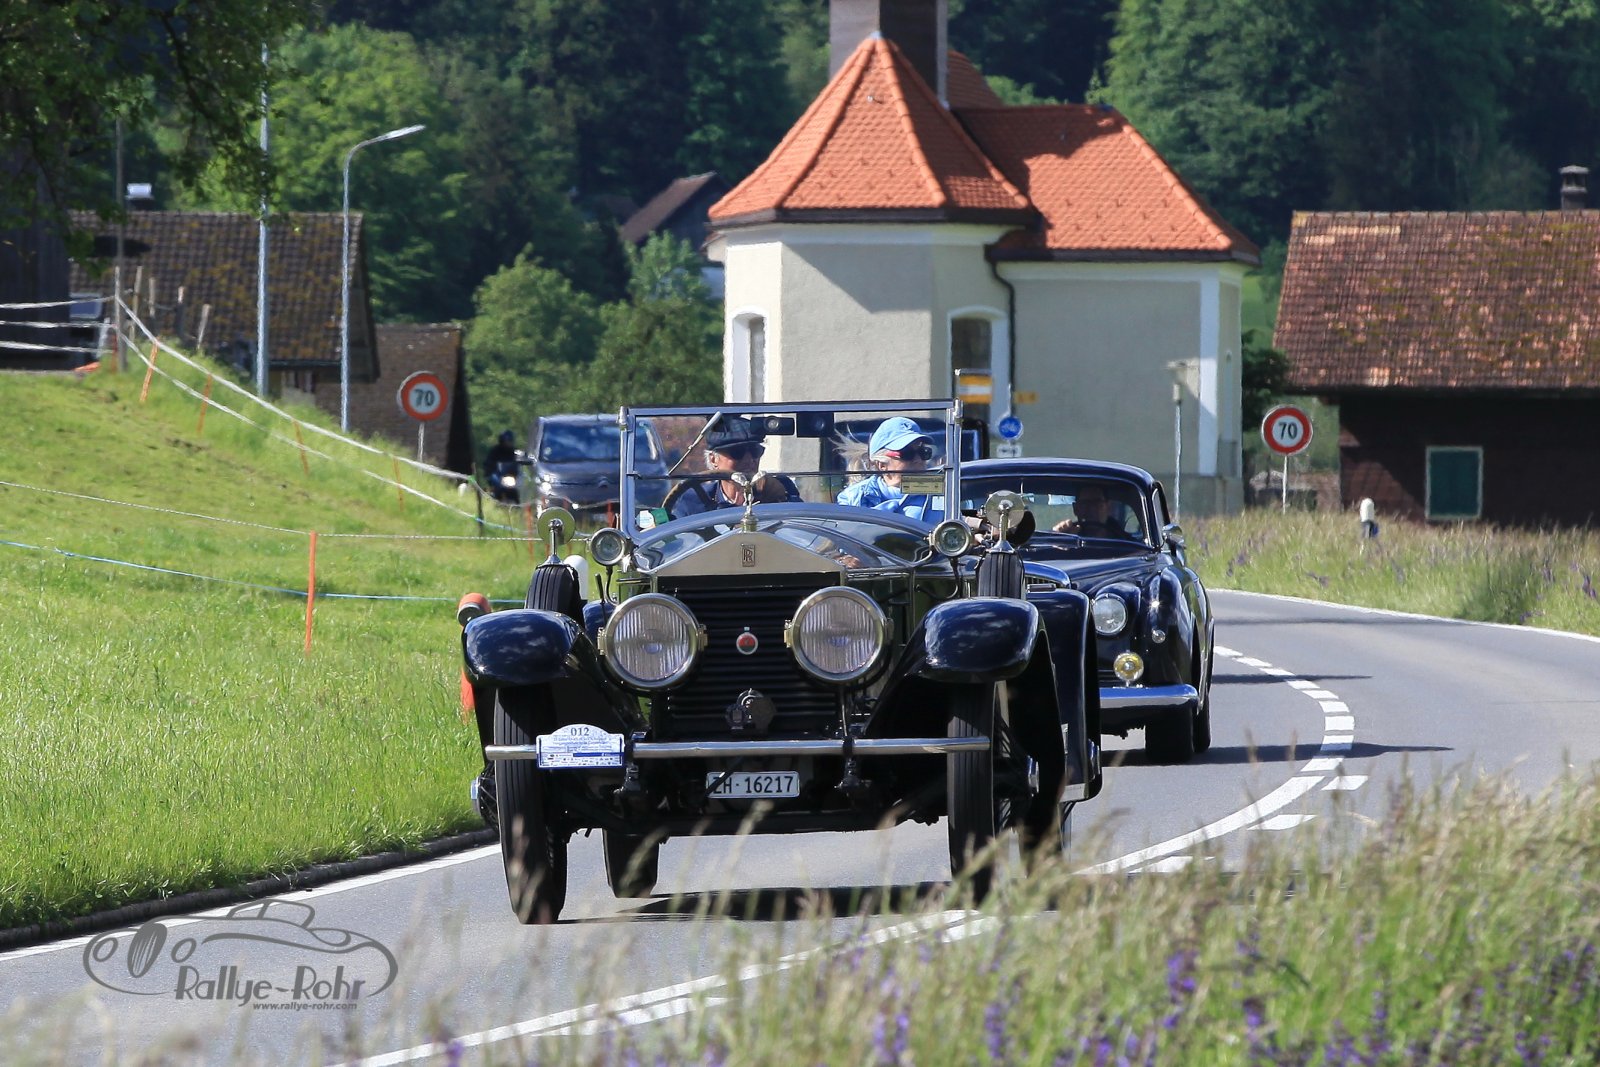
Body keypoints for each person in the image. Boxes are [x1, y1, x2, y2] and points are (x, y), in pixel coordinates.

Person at [668, 418, 800, 518]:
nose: (749, 460)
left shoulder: (780, 487)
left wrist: (782, 499)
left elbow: (803, 524)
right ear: (714, 459)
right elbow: (673, 537)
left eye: (755, 451)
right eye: (737, 452)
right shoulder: (694, 499)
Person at [836, 416, 939, 520]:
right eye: (907, 454)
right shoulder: (853, 498)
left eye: (923, 452)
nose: (918, 459)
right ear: (882, 465)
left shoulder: (941, 492)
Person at [1053, 484, 1136, 538]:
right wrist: (1058, 537)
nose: (1091, 509)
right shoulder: (1068, 536)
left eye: (1097, 503)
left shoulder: (1126, 542)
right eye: (1085, 503)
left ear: (1108, 507)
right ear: (1076, 508)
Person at [482, 429, 522, 504]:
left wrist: (517, 471)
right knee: (495, 481)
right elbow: (488, 462)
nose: (508, 443)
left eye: (510, 441)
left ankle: (517, 505)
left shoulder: (514, 452)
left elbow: (518, 463)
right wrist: (489, 469)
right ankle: (494, 497)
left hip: (510, 476)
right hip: (497, 475)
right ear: (502, 440)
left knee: (517, 489)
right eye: (507, 441)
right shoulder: (495, 450)